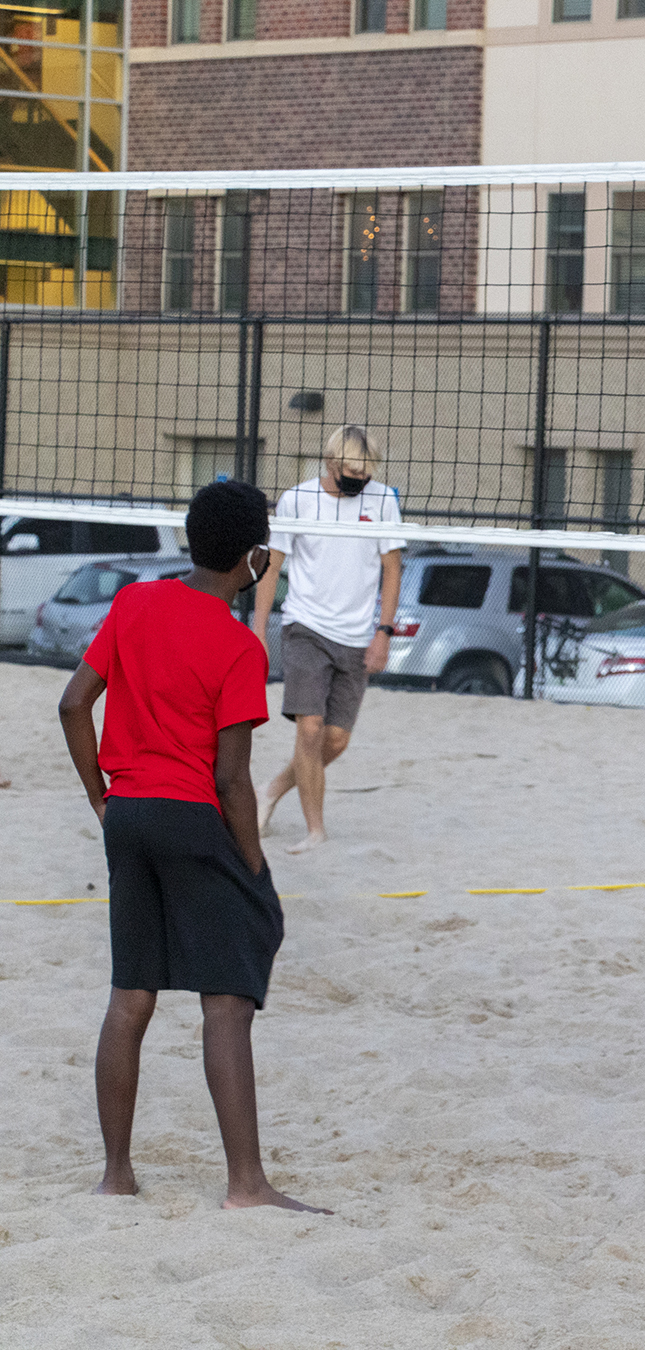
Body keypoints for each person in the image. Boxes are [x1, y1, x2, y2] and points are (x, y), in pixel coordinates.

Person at [57, 479, 327, 1213]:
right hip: (190, 817)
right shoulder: (239, 645)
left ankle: (116, 1175)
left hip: (130, 814)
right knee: (226, 1004)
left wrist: (99, 795)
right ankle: (247, 1184)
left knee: (130, 997)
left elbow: (73, 703)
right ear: (254, 557)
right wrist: (256, 867)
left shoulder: (136, 602)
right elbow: (233, 780)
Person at [251, 425, 405, 854]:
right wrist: (259, 631)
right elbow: (271, 565)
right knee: (310, 730)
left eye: (366, 472)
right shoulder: (298, 499)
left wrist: (384, 633)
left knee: (336, 739)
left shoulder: (381, 500)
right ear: (331, 462)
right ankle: (315, 830)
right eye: (351, 470)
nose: (359, 478)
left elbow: (392, 569)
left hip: (357, 636)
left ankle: (272, 789)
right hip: (305, 627)